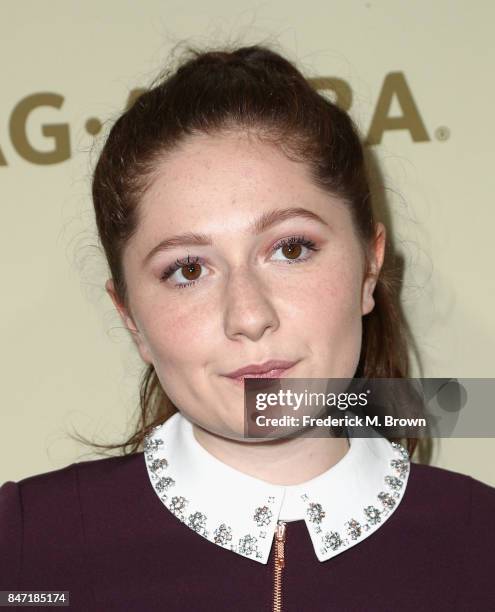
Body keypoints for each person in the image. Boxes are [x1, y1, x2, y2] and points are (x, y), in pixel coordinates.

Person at [1, 43, 494, 612]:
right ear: (130, 316)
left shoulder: (482, 545)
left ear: (369, 266)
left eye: (290, 248)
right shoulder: (26, 550)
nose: (249, 316)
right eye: (188, 269)